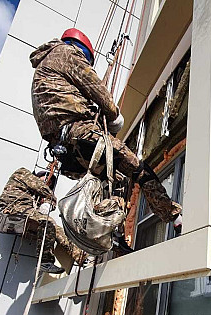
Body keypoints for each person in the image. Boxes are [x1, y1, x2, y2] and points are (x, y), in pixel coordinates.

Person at [29, 28, 182, 226]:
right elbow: (97, 90)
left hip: (66, 152)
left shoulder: (43, 69)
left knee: (115, 180)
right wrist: (114, 116)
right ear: (81, 50)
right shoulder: (67, 53)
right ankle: (174, 215)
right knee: (138, 169)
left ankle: (107, 228)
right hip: (81, 135)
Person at [0, 167, 86, 273]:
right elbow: (39, 186)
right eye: (46, 180)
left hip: (23, 214)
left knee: (55, 229)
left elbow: (43, 193)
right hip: (13, 209)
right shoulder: (22, 173)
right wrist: (52, 198)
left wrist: (48, 204)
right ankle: (45, 260)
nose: (47, 183)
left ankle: (81, 257)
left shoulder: (34, 196)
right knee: (48, 222)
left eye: (50, 183)